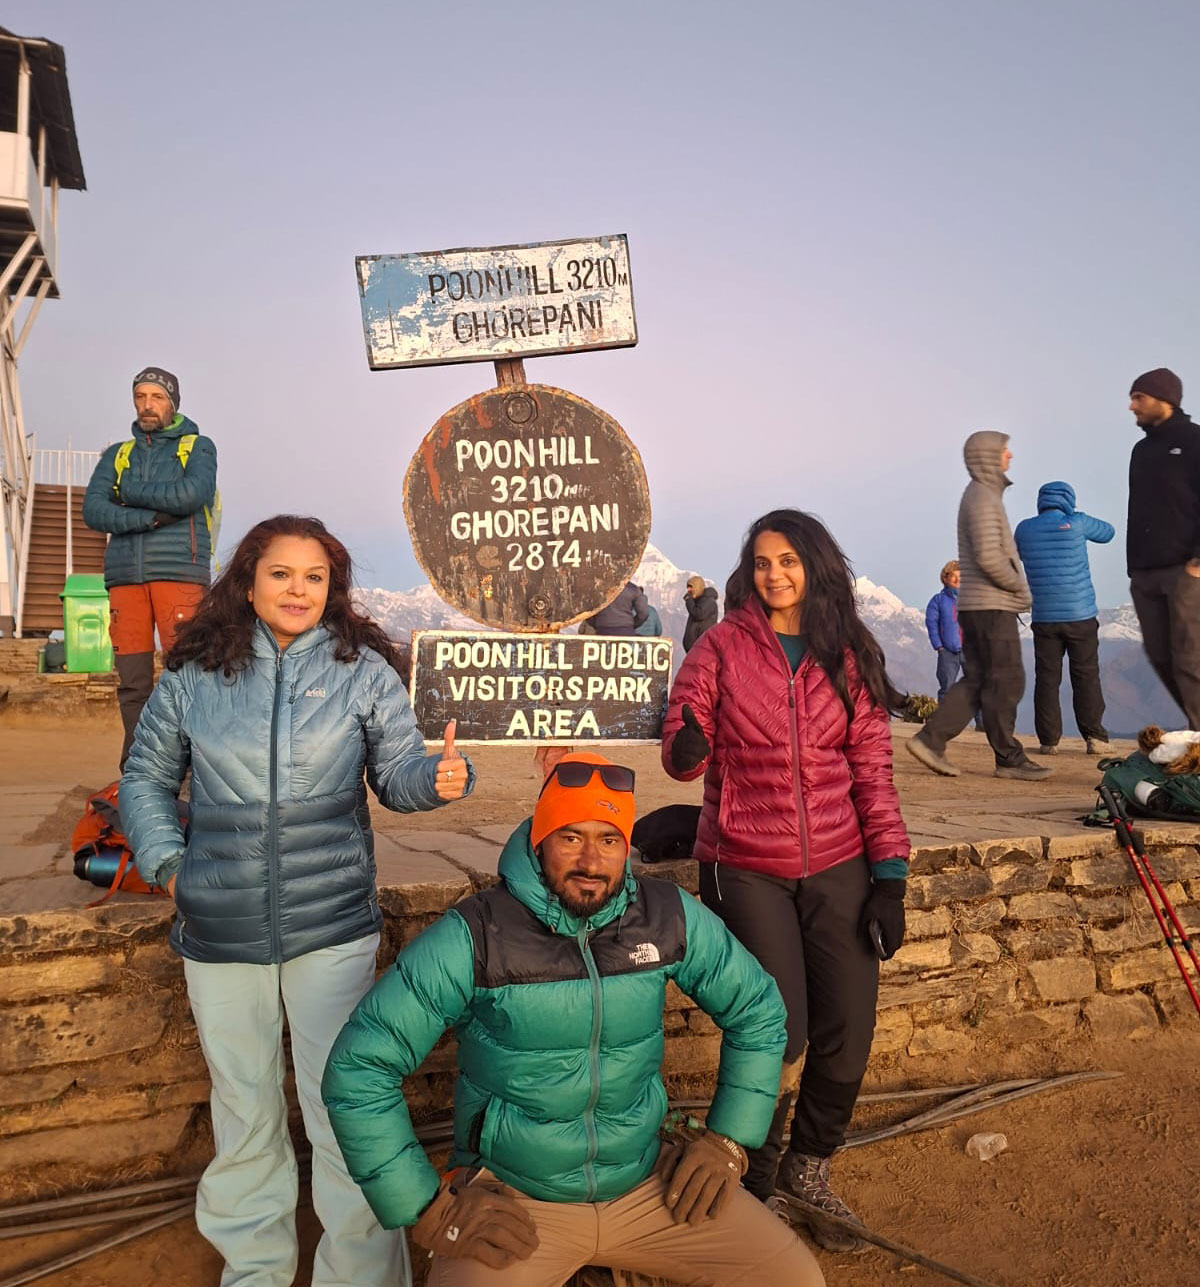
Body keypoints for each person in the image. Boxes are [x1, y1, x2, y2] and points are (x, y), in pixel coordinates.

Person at [121, 514, 473, 1287]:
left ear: (333, 589)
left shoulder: (363, 671)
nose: (297, 589)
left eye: (314, 577)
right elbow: (144, 777)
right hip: (218, 928)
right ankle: (255, 1271)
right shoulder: (195, 674)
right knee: (244, 1111)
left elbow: (398, 774)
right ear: (248, 580)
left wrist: (441, 780)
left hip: (332, 929)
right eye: (281, 573)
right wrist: (169, 867)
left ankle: (361, 1276)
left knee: (346, 1107)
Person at [322, 752, 824, 1287]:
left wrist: (728, 1140)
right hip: (516, 1202)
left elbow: (759, 1009)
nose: (591, 860)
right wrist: (427, 1208)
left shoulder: (664, 916)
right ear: (539, 841)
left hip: (647, 1185)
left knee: (794, 1277)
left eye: (609, 840)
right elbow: (359, 1068)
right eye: (570, 837)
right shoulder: (478, 934)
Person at [660, 509, 910, 1253]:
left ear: (816, 566)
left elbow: (872, 770)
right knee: (782, 1027)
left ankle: (810, 1168)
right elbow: (679, 744)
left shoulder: (848, 653)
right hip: (744, 859)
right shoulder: (722, 647)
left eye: (789, 561)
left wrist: (889, 874)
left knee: (847, 1030)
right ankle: (755, 1180)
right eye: (762, 561)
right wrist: (689, 743)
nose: (774, 574)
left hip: (840, 858)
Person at [82, 366, 217, 769]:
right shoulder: (117, 455)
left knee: (188, 678)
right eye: (140, 396)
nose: (147, 405)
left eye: (156, 397)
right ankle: (138, 767)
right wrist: (151, 517)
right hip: (125, 578)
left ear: (172, 402)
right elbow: (94, 510)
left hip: (179, 573)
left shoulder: (197, 446)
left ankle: (193, 767)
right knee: (133, 683)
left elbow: (192, 494)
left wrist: (130, 493)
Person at [907, 431, 1051, 780]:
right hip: (990, 606)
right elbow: (989, 556)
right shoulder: (983, 497)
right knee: (1006, 679)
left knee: (983, 679)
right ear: (988, 456)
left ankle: (933, 739)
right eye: (1004, 450)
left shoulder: (981, 495)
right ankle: (1007, 758)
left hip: (979, 606)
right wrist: (1020, 587)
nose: (1010, 456)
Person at [1014, 481, 1114, 756]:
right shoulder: (1078, 522)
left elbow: (1013, 555)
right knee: (1086, 675)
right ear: (1068, 500)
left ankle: (1049, 741)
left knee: (1047, 678)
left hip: (1044, 617)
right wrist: (1075, 518)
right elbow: (1109, 533)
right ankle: (1095, 738)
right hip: (1080, 614)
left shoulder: (1024, 529)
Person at [1126, 367, 1200, 730]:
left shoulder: (1194, 440)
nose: (1131, 406)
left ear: (1164, 399)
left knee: (1190, 657)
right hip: (1144, 573)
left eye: (1139, 397)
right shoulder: (1140, 451)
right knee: (1159, 655)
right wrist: (1132, 567)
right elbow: (1136, 508)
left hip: (1185, 570)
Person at [925, 560, 964, 701]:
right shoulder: (938, 600)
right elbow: (931, 623)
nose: (958, 579)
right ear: (945, 578)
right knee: (947, 688)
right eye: (954, 576)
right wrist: (939, 646)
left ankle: (981, 723)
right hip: (947, 651)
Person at [584, 580, 649, 634]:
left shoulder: (597, 588)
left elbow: (587, 612)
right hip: (626, 630)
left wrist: (597, 623)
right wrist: (632, 624)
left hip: (603, 629)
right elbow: (643, 613)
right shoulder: (633, 589)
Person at [683, 575, 718, 652]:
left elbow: (699, 614)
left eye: (691, 587)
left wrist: (689, 601)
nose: (689, 590)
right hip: (695, 650)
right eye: (688, 587)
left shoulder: (709, 602)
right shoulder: (697, 603)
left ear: (697, 587)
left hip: (703, 649)